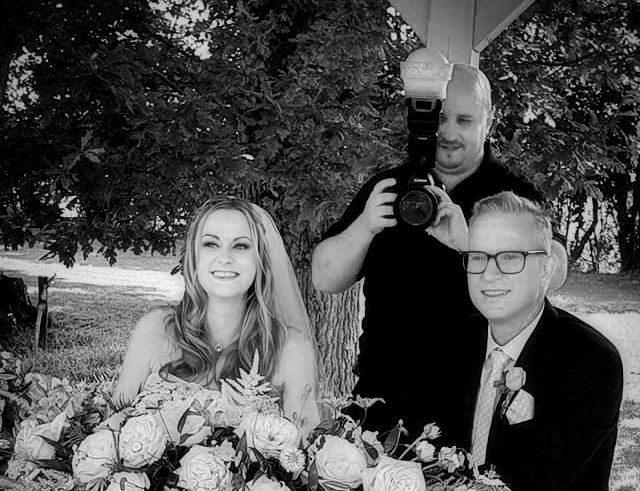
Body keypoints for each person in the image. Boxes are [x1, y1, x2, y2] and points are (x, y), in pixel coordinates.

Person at [311, 60, 567, 439]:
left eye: (464, 121)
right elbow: (325, 278)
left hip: (474, 406)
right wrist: (364, 227)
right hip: (382, 404)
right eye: (441, 119)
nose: (448, 133)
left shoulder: (514, 193)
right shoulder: (390, 186)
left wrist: (473, 244)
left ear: (489, 121)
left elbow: (556, 270)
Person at [439, 191, 622, 491]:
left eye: (510, 257)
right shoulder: (448, 342)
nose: (488, 274)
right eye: (478, 256)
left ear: (546, 268)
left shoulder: (591, 361)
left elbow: (529, 488)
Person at [112, 196, 319, 436]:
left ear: (260, 259)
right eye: (211, 244)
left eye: (241, 246)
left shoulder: (291, 348)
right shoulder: (154, 329)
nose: (225, 258)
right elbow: (113, 430)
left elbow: (304, 454)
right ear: (194, 256)